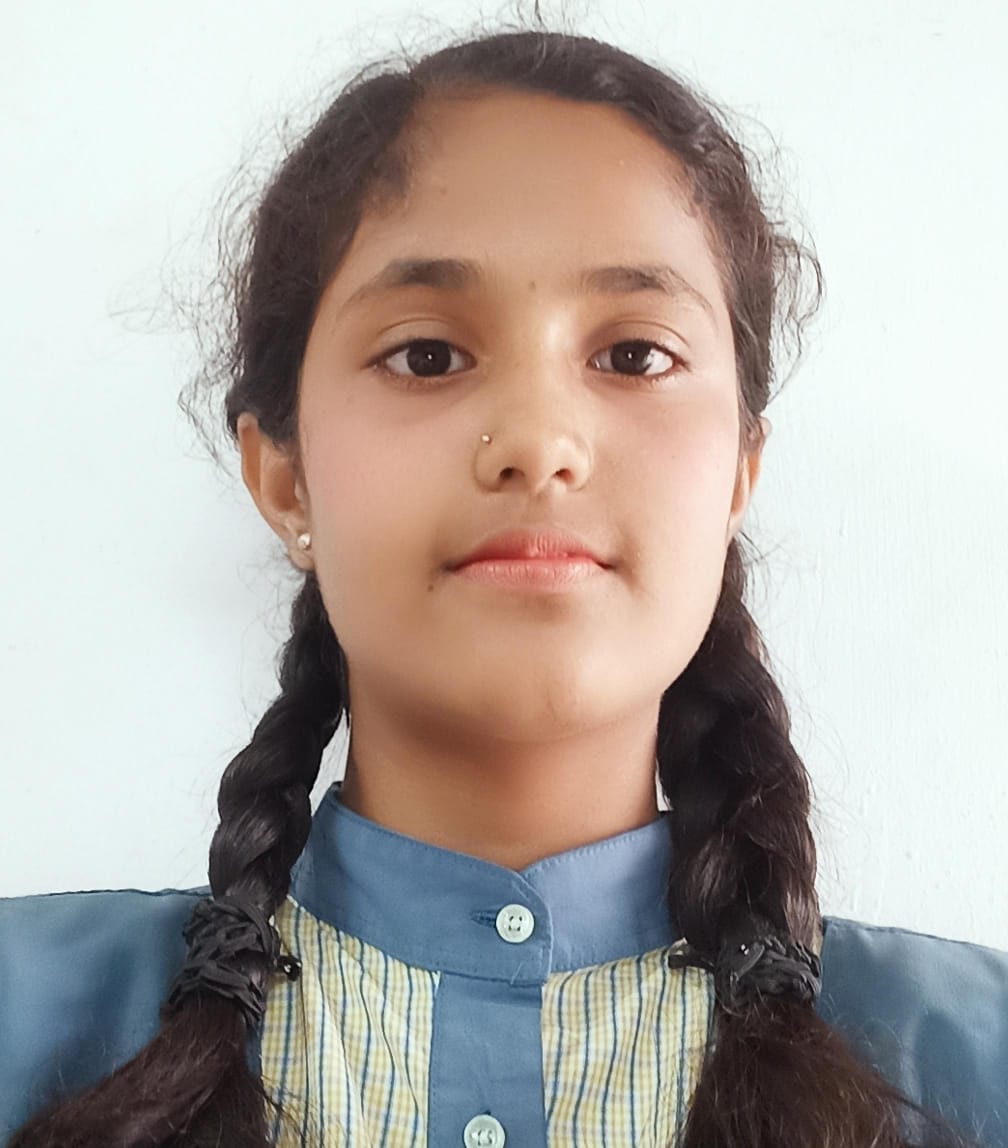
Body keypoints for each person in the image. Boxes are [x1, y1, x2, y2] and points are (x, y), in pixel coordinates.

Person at [1, 14, 1006, 1148]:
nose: (537, 440)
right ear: (283, 476)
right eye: (427, 355)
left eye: (635, 354)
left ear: (739, 472)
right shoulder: (24, 1017)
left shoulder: (972, 1063)